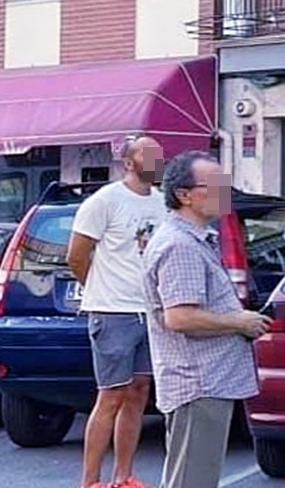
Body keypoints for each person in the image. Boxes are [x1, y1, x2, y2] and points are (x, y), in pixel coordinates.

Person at [141, 151, 273, 488]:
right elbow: (181, 317)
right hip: (199, 382)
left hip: (206, 381)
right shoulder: (180, 245)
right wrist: (239, 322)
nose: (225, 190)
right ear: (184, 195)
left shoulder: (193, 239)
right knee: (192, 480)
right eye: (215, 184)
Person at [67, 135, 167, 488]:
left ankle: (123, 476)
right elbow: (77, 256)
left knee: (139, 392)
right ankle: (91, 481)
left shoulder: (161, 203)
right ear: (129, 163)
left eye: (159, 153)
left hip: (149, 313)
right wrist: (100, 291)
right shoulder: (105, 201)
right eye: (148, 153)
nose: (157, 158)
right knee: (111, 394)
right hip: (112, 312)